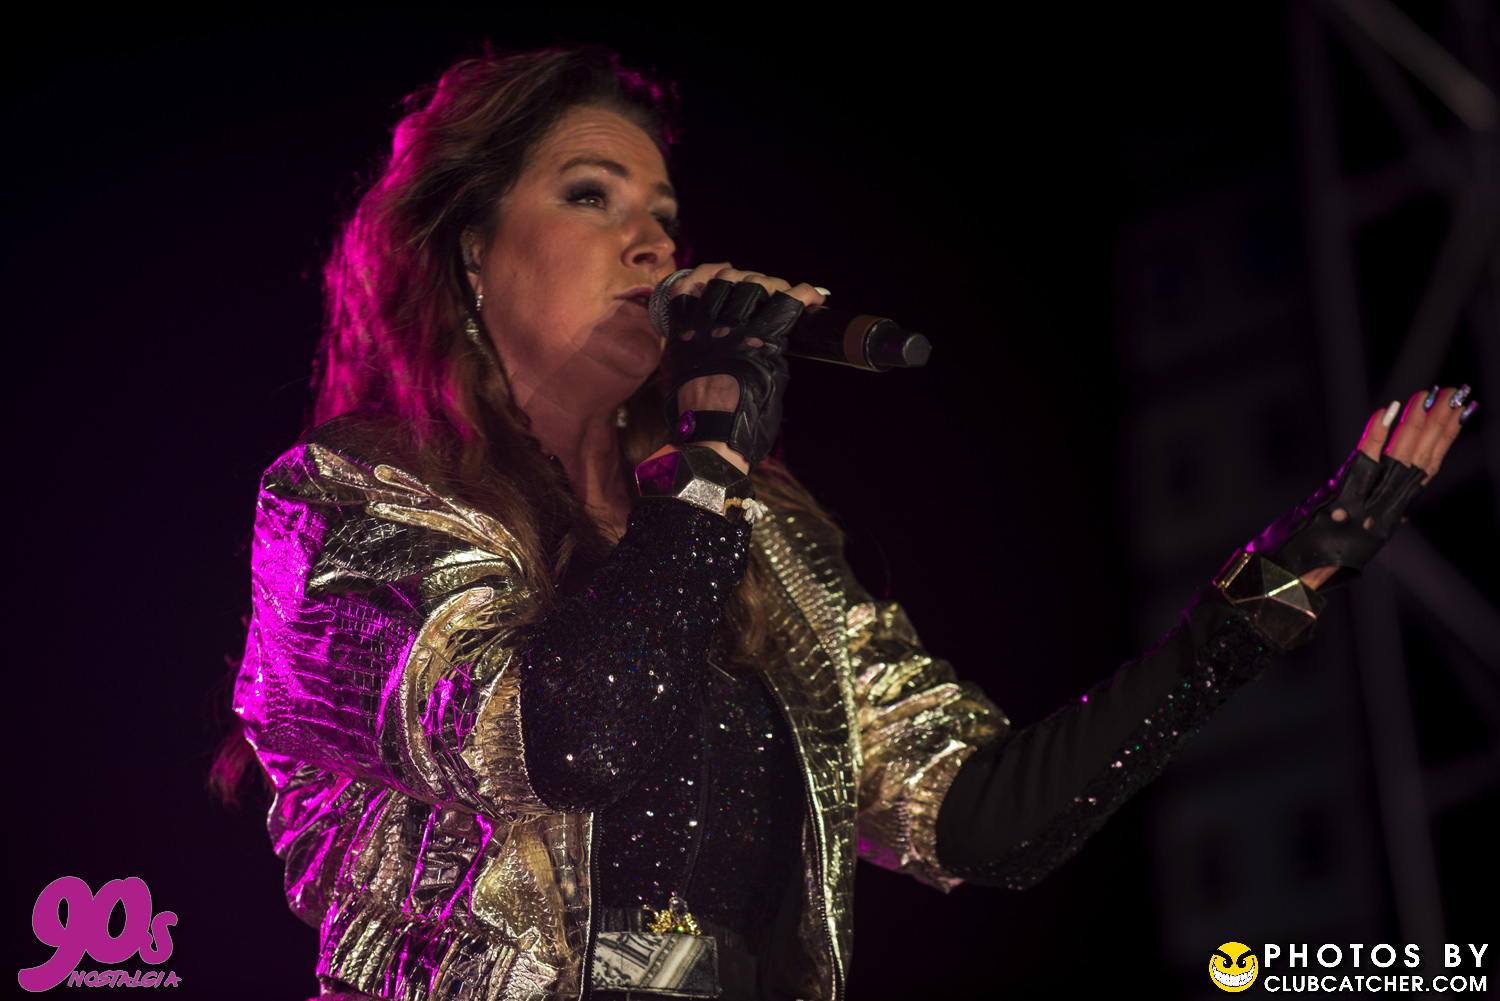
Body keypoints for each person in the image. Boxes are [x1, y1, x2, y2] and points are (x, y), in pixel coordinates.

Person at [222, 46, 1475, 1001]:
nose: (651, 239)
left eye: (665, 212)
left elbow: (983, 817)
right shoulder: (351, 502)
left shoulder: (748, 534)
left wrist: (1273, 589)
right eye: (592, 195)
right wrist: (712, 461)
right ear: (470, 251)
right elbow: (566, 737)